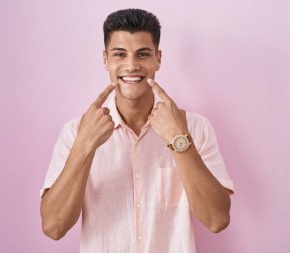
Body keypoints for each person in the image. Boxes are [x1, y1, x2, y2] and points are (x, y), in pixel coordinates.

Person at [40, 8, 234, 253]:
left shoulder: (195, 128)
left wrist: (179, 141)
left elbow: (217, 220)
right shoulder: (75, 132)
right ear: (105, 59)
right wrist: (84, 146)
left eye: (142, 54)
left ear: (158, 59)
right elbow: (53, 227)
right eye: (120, 54)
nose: (131, 66)